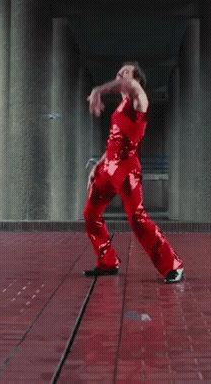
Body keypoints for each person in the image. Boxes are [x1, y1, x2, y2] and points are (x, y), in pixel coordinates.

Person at [83, 62, 184, 283]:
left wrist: (98, 89)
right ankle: (108, 262)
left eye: (125, 72)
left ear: (137, 80)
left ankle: (173, 265)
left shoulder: (140, 99)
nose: (119, 74)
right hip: (107, 167)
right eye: (118, 71)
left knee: (137, 219)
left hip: (127, 169)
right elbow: (114, 141)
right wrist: (97, 165)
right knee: (91, 214)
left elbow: (126, 85)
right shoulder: (121, 106)